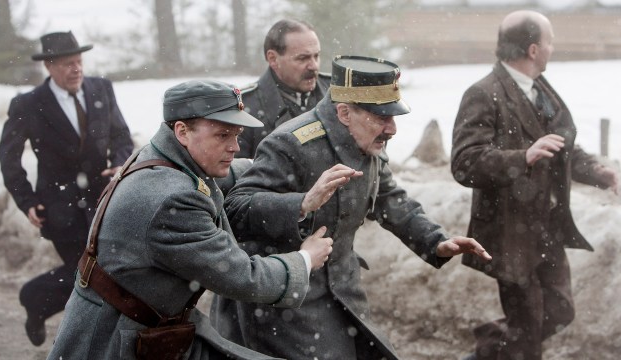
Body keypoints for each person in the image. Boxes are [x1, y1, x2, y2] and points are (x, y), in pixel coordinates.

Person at [211, 55, 492, 360]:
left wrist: (436, 241)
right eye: (382, 117)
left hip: (343, 290)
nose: (392, 129)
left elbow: (389, 199)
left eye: (394, 117)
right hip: (286, 302)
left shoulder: (369, 142)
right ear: (344, 112)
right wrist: (302, 203)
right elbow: (237, 209)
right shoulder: (290, 144)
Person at [46, 79, 334, 360]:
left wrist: (281, 167)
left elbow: (222, 173)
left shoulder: (160, 156)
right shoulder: (173, 200)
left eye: (237, 135)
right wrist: (305, 259)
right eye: (223, 135)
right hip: (118, 342)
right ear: (183, 132)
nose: (235, 147)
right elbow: (243, 277)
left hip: (138, 327)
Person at [450, 10, 619, 360]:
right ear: (533, 49)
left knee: (560, 310)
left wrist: (606, 175)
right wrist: (522, 157)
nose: (553, 48)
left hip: (547, 228)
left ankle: (488, 350)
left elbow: (564, 150)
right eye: (550, 41)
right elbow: (464, 163)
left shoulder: (542, 90)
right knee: (527, 330)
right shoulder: (482, 93)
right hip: (510, 232)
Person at [0, 31, 134, 346]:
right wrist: (26, 200)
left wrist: (120, 163)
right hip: (60, 208)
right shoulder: (29, 104)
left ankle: (36, 298)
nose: (76, 69)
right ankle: (80, 333)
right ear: (49, 66)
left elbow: (122, 136)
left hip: (103, 201)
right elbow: (9, 157)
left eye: (79, 61)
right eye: (67, 64)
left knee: (99, 275)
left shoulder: (101, 88)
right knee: (92, 278)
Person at [236, 18, 331, 159]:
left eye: (316, 56)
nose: (314, 66)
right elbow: (236, 174)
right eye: (303, 58)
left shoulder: (337, 92)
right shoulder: (243, 108)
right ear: (273, 59)